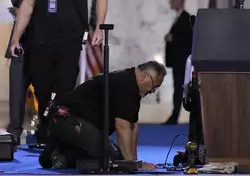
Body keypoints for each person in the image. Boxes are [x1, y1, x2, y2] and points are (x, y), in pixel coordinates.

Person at [9, 0, 108, 143]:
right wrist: (15, 39)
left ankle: (60, 138)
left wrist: (100, 27)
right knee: (43, 92)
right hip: (40, 41)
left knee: (64, 90)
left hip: (69, 39)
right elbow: (26, 6)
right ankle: (47, 128)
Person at [38, 61, 166, 171]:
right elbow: (122, 126)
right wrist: (131, 164)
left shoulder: (129, 82)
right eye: (154, 87)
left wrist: (134, 162)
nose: (152, 91)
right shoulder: (127, 85)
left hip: (67, 122)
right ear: (144, 77)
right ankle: (64, 156)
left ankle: (54, 153)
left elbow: (133, 126)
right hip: (70, 121)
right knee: (111, 160)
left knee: (120, 159)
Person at [4, 0, 42, 141]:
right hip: (20, 50)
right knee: (16, 95)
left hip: (41, 50)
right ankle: (14, 135)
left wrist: (25, 14)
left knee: (44, 94)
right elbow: (6, 11)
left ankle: (46, 135)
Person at [163, 0, 192, 124]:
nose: (170, 3)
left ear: (180, 2)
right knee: (177, 88)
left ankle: (174, 116)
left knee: (179, 88)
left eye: (173, 0)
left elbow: (189, 38)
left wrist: (173, 38)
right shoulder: (179, 17)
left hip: (181, 60)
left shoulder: (185, 18)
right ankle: (174, 115)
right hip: (177, 61)